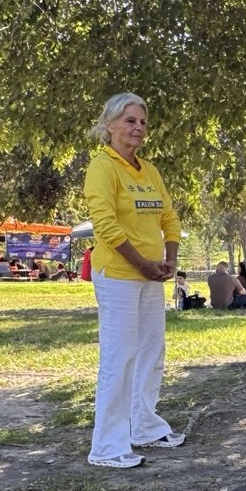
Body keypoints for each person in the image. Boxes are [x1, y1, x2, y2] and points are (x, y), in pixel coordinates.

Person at [83, 92, 185, 469]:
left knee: (151, 352)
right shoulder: (102, 166)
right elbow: (105, 224)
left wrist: (169, 259)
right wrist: (141, 263)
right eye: (130, 120)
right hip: (119, 275)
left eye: (143, 122)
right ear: (110, 125)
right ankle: (108, 447)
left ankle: (144, 426)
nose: (138, 127)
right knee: (119, 357)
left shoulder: (150, 170)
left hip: (150, 274)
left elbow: (169, 217)